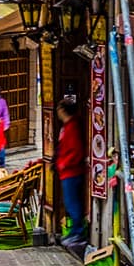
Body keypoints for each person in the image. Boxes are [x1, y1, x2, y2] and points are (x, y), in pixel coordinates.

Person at [55, 94, 90, 255]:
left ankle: (78, 231)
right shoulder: (68, 126)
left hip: (71, 170)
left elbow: (76, 150)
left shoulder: (72, 127)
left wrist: (64, 164)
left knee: (72, 202)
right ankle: (75, 231)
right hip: (67, 170)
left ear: (63, 110)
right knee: (70, 202)